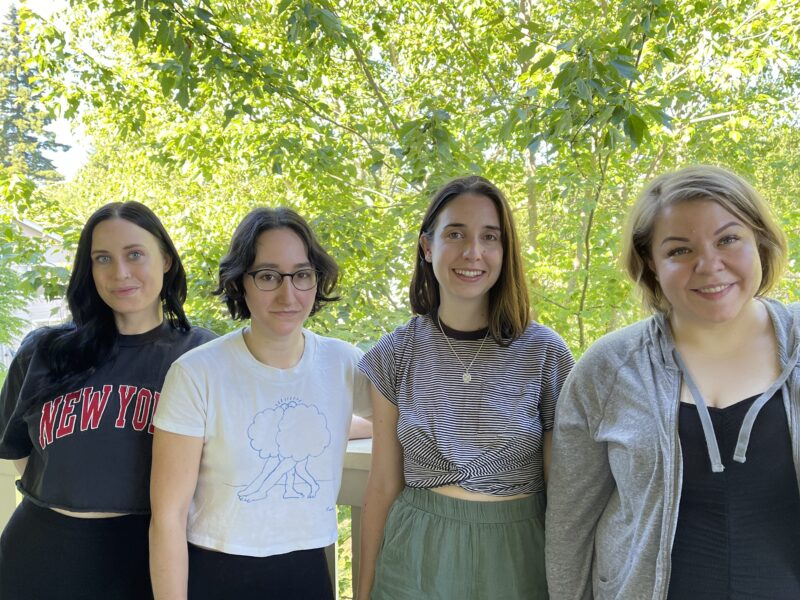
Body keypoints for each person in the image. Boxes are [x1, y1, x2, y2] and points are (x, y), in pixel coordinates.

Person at [546, 165, 800, 600]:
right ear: (651, 263)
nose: (709, 265)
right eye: (680, 250)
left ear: (759, 239)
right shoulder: (608, 369)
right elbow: (570, 528)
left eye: (727, 239)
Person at [357, 175, 574, 599]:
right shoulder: (395, 352)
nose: (473, 252)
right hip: (415, 557)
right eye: (455, 234)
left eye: (489, 237)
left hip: (519, 556)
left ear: (505, 251)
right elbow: (382, 484)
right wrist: (362, 594)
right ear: (427, 246)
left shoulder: (545, 352)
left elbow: (563, 491)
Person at [149, 206, 371, 600]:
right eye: (268, 276)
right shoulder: (196, 373)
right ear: (241, 283)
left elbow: (393, 422)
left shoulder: (343, 362)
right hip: (217, 573)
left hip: (307, 572)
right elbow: (168, 518)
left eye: (302, 274)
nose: (288, 294)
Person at [0, 202, 215, 599]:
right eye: (103, 258)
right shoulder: (44, 351)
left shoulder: (203, 356)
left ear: (166, 259)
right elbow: (19, 449)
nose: (120, 273)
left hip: (147, 559)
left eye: (135, 254)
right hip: (38, 553)